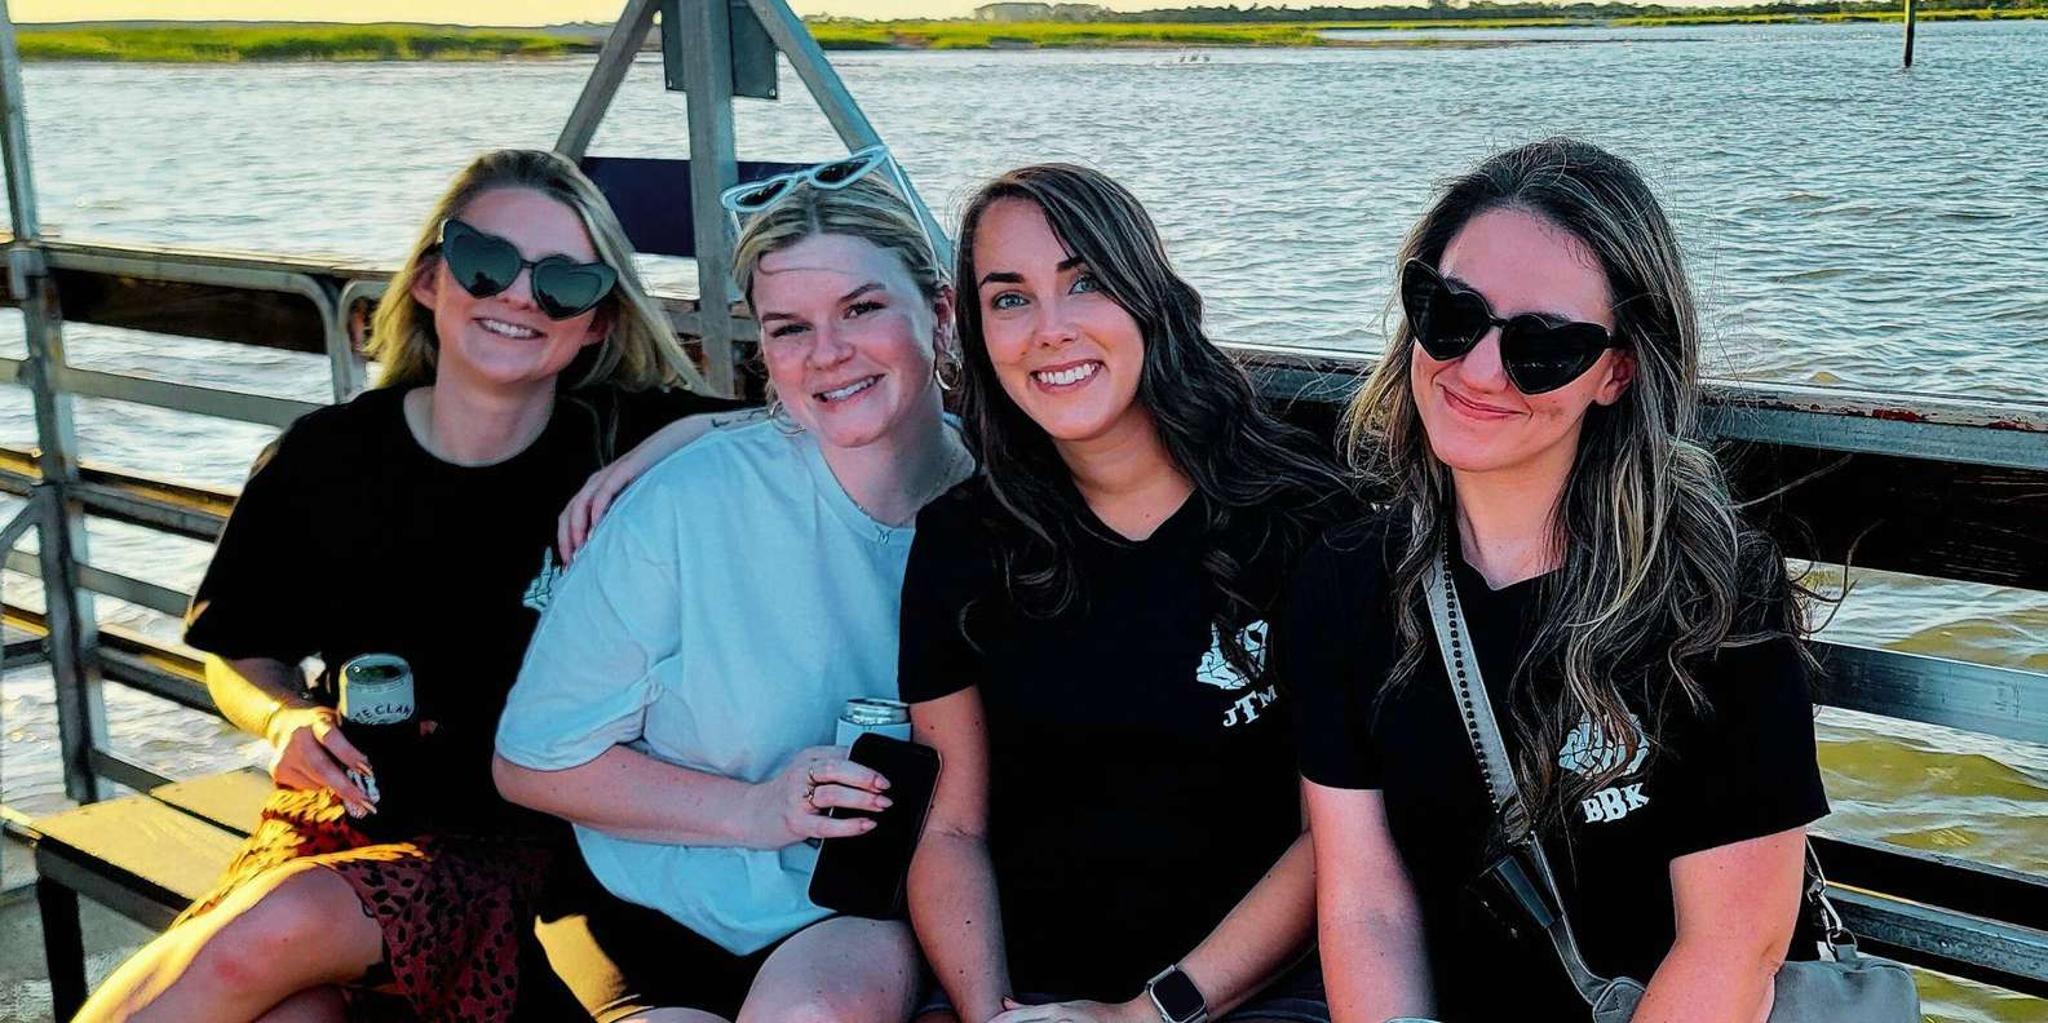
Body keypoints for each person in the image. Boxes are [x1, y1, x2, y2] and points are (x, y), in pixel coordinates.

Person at [75, 148, 744, 1023]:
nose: (516, 296)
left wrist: (660, 450)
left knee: (273, 937)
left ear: (597, 322)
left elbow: (802, 415)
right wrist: (286, 718)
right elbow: (244, 648)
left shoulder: (619, 444)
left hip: (531, 848)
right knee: (294, 1013)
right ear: (431, 279)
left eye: (563, 283)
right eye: (486, 263)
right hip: (344, 817)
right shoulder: (327, 458)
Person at [1279, 138, 1829, 1023]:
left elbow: (1736, 945)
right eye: (1450, 315)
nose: (1480, 370)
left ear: (1617, 371)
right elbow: (1365, 899)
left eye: (1542, 345)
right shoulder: (1347, 583)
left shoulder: (1712, 591)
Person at [491, 165, 973, 1023]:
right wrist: (755, 808)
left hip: (852, 920)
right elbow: (531, 760)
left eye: (862, 309)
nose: (827, 352)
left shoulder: (1005, 508)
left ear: (938, 313)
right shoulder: (685, 503)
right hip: (652, 909)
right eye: (791, 328)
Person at [900, 164, 1350, 1023]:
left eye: (1086, 282)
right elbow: (949, 831)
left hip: (1253, 992)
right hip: (1026, 991)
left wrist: (1144, 1016)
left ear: (1148, 294)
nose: (1050, 330)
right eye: (1010, 298)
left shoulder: (1300, 516)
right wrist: (993, 1012)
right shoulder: (961, 539)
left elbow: (1330, 837)